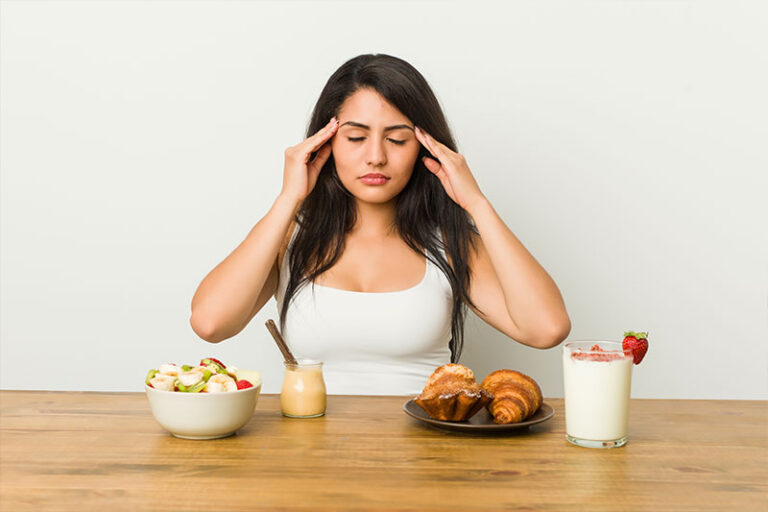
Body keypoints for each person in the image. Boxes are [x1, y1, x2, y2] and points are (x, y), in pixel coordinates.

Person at [190, 54, 570, 395]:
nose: (376, 157)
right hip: (307, 460)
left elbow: (546, 329)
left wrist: (477, 203)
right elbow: (211, 323)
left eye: (397, 140)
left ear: (425, 147)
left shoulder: (450, 245)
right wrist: (289, 199)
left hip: (425, 457)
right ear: (326, 143)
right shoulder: (289, 237)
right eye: (355, 137)